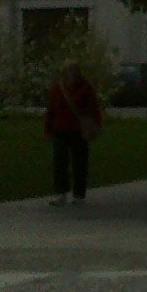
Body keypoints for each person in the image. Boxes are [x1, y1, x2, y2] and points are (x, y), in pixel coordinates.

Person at [44, 60, 103, 205]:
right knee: (59, 162)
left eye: (73, 70)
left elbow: (92, 108)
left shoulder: (85, 88)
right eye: (68, 70)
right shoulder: (58, 88)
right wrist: (48, 128)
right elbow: (51, 109)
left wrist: (95, 125)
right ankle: (60, 193)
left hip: (78, 130)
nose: (71, 73)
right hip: (60, 129)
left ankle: (78, 194)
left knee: (80, 162)